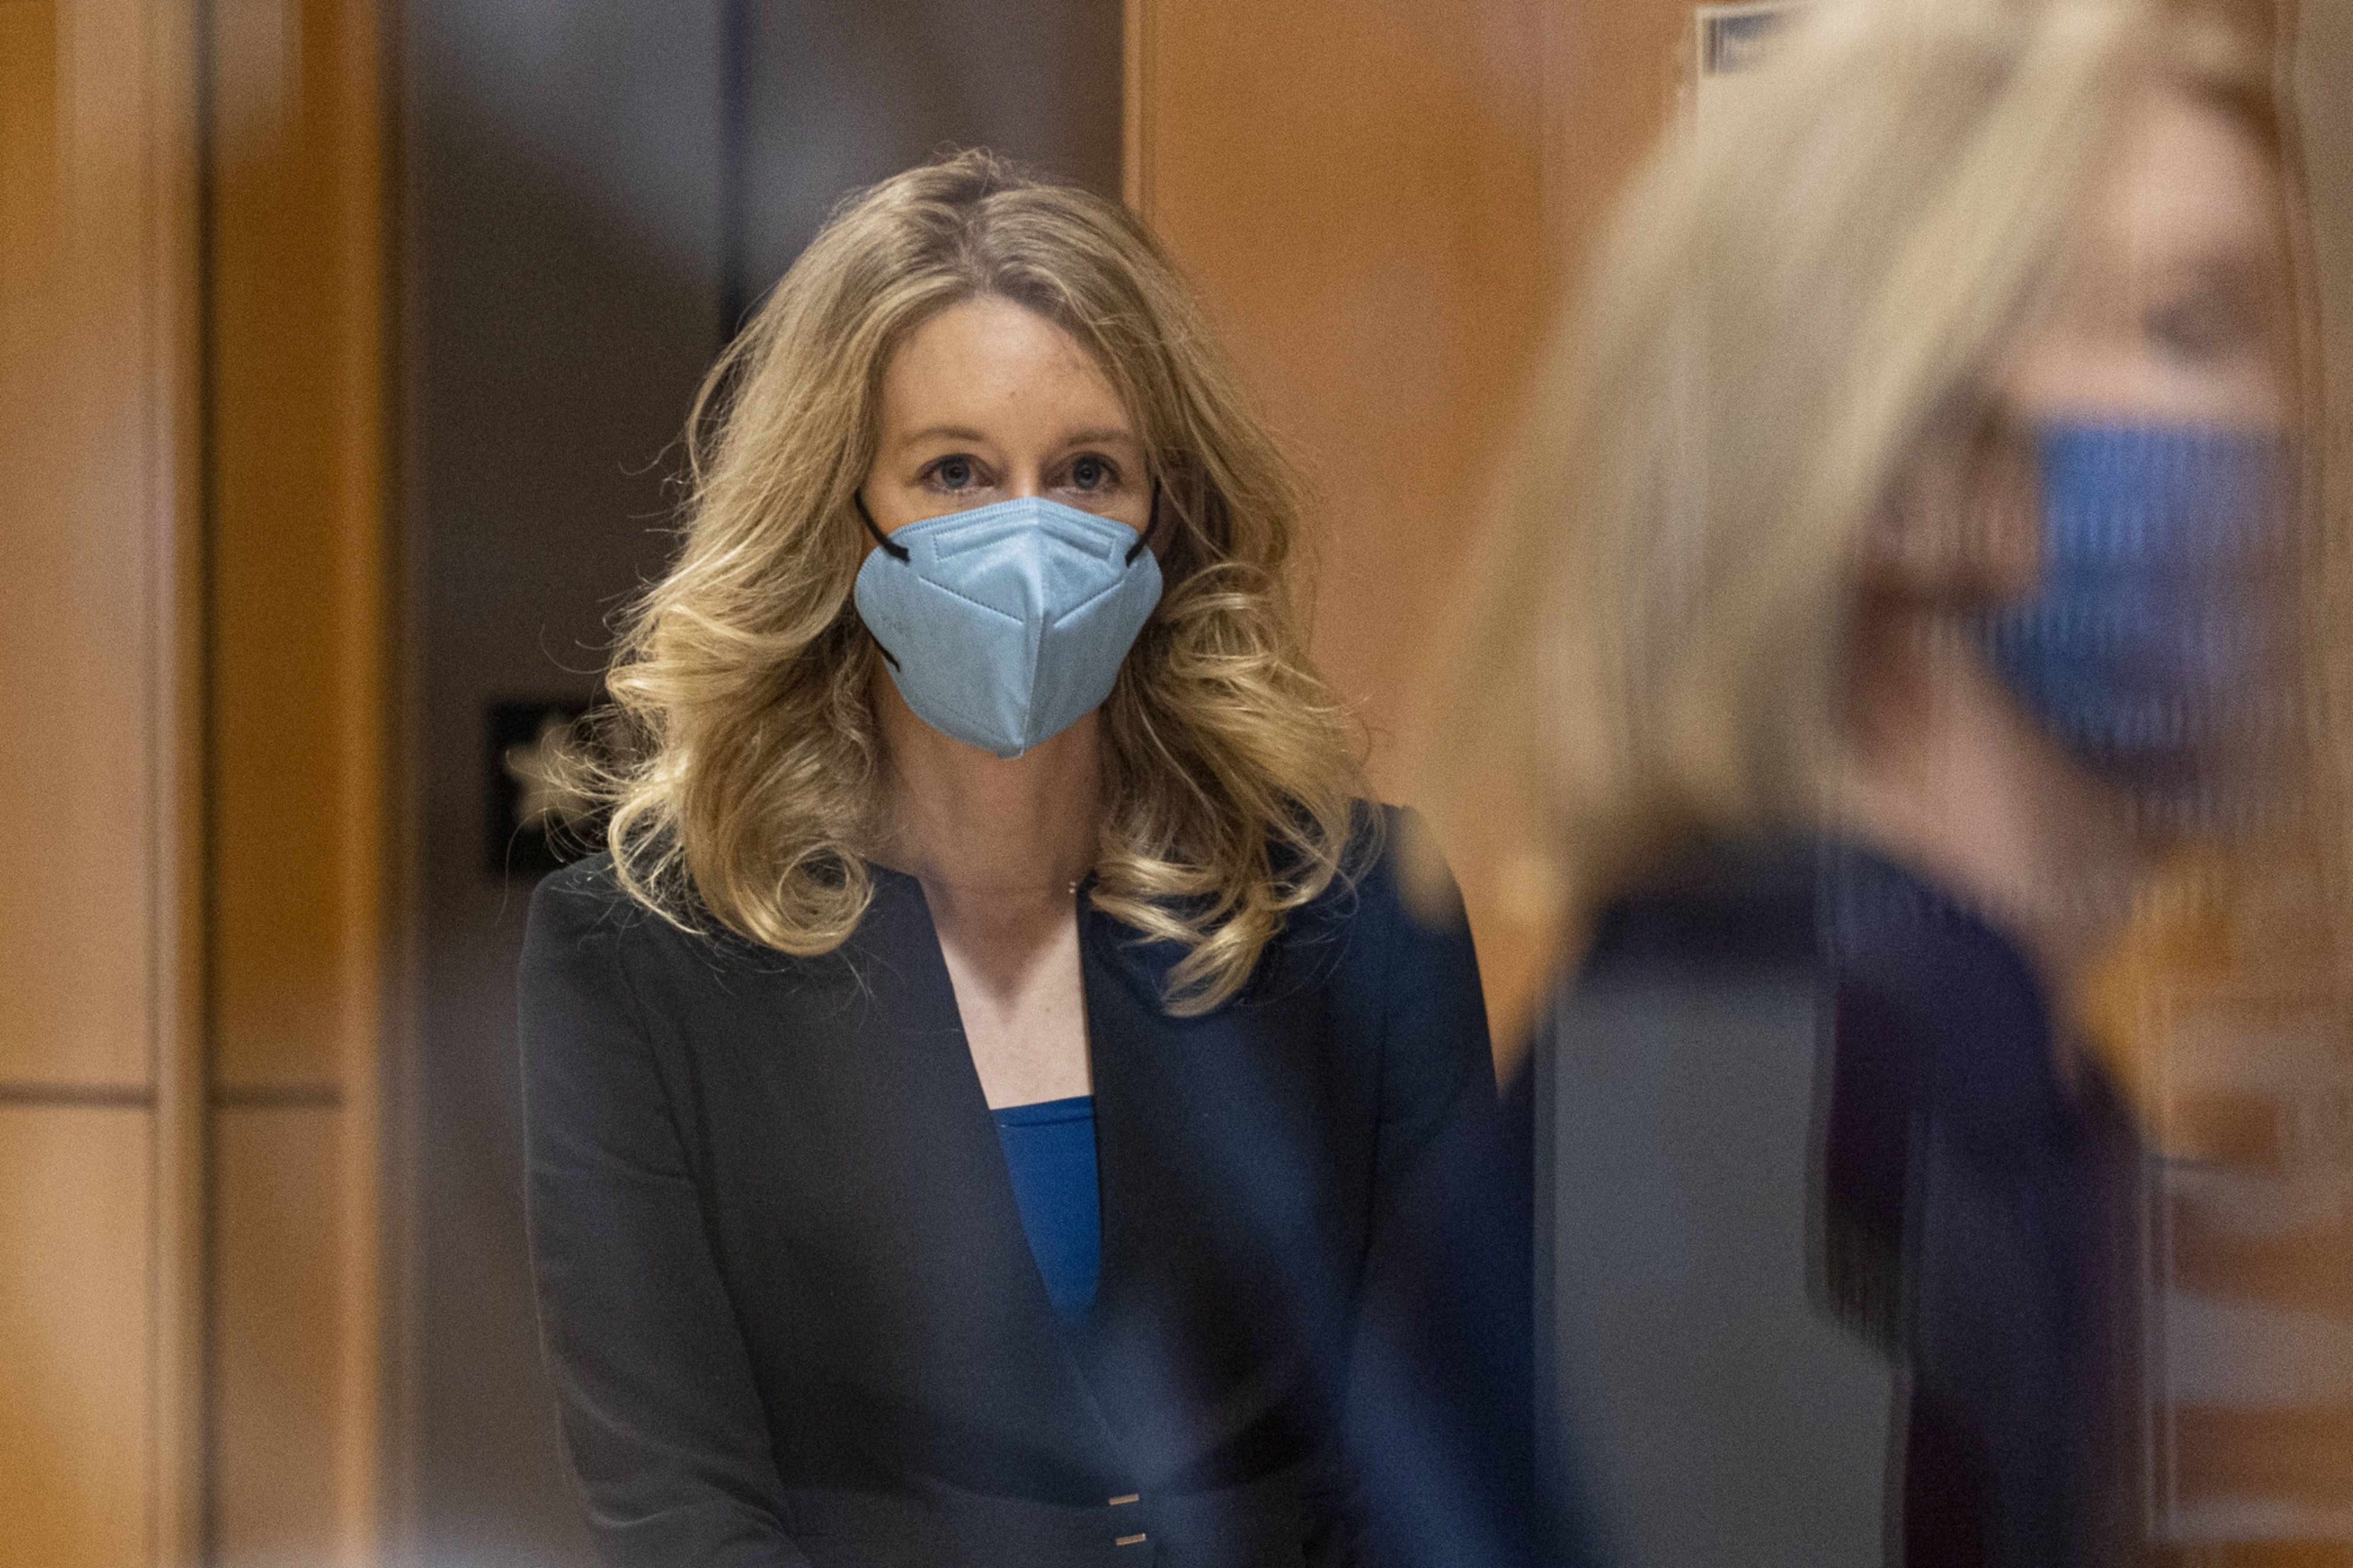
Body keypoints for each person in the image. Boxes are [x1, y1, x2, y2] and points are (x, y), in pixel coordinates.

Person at [1409, 0, 2321, 1563]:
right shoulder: (1804, 1087)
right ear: (1910, 473)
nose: (2290, 436)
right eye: (2192, 326)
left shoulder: (1939, 1050)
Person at [518, 150, 1493, 1568]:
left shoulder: (1357, 914)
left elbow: (1436, 1454)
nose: (1024, 532)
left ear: (1168, 515)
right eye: (954, 473)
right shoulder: (641, 954)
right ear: (835, 512)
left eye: (1086, 472)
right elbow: (676, 1506)